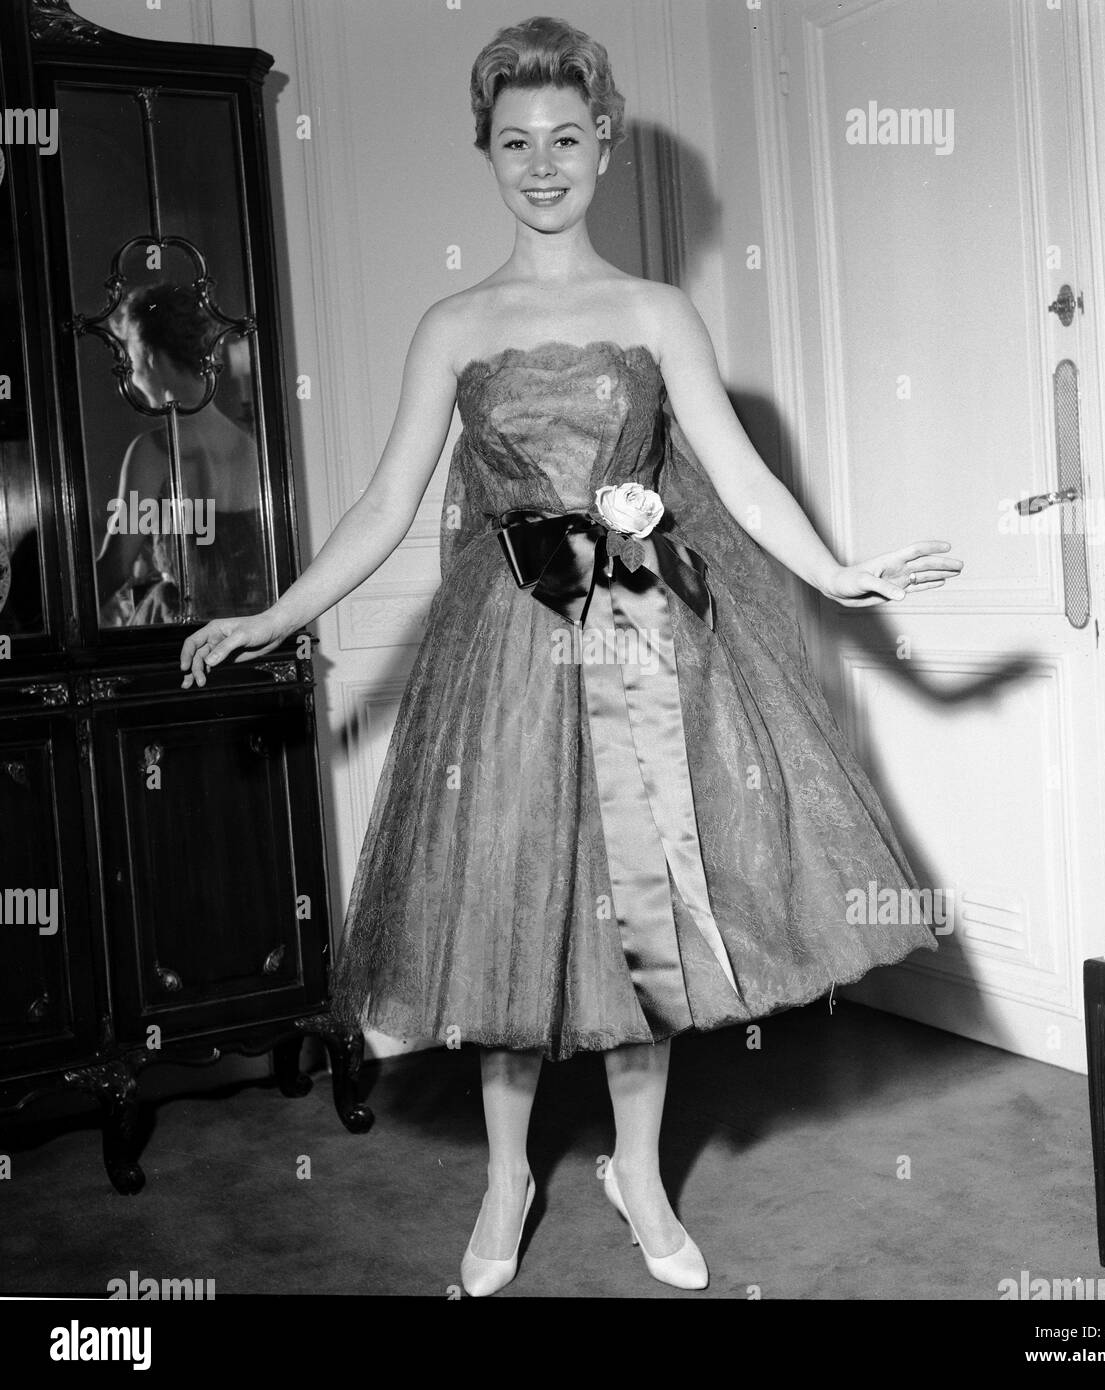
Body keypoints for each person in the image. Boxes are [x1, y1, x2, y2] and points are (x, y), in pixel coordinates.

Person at [178, 15, 963, 1297]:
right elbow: (383, 507)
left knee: (639, 930)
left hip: (641, 641)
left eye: (563, 138)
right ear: (485, 153)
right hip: (502, 658)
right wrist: (277, 614)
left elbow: (740, 475)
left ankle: (637, 1170)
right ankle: (507, 1178)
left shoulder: (656, 311)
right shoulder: (452, 322)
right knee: (512, 921)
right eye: (512, 142)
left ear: (602, 144)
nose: (540, 164)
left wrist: (836, 570)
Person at [96, 282, 265, 626]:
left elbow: (115, 567)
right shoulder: (252, 445)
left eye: (130, 356)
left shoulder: (155, 450)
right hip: (248, 636)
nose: (132, 374)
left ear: (151, 356)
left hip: (180, 637)